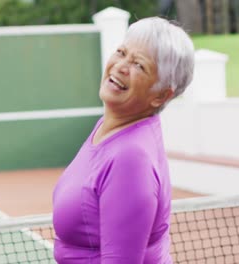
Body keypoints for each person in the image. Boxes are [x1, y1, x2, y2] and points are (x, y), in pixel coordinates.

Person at [52, 17, 194, 263]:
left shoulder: (131, 159)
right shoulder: (109, 126)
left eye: (139, 65)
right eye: (121, 52)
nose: (121, 66)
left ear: (160, 95)